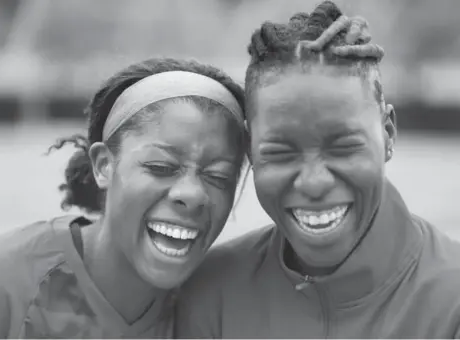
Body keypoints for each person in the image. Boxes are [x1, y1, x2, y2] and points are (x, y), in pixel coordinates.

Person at [175, 2, 460, 338]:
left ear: (387, 133)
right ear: (249, 148)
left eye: (343, 147)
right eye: (281, 153)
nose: (313, 182)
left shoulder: (450, 300)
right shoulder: (212, 295)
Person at [0, 57, 248, 338]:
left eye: (218, 178)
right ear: (104, 165)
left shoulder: (220, 309)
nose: (192, 195)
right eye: (160, 167)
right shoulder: (10, 282)